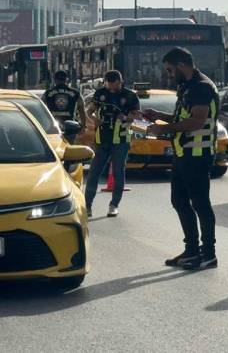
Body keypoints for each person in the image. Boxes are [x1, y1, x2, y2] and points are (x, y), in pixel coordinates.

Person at [144, 47, 219, 270]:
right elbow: (182, 117)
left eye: (169, 69)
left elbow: (197, 121)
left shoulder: (201, 87)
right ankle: (192, 250)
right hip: (183, 152)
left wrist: (165, 129)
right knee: (179, 201)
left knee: (200, 204)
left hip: (198, 154)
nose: (168, 74)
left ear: (181, 65)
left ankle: (208, 254)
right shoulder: (187, 86)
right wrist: (159, 117)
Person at [84, 70, 140, 218]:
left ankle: (114, 205)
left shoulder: (130, 96)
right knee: (94, 173)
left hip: (120, 140)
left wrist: (127, 117)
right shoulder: (100, 93)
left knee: (118, 172)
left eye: (113, 85)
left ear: (120, 82)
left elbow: (137, 115)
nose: (110, 88)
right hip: (102, 139)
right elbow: (90, 111)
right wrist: (93, 119)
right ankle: (87, 205)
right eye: (108, 85)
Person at [43, 70, 86, 143]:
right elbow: (81, 109)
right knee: (69, 149)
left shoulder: (47, 93)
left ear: (55, 80)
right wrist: (83, 126)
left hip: (52, 127)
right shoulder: (75, 93)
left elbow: (42, 109)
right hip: (70, 127)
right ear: (66, 79)